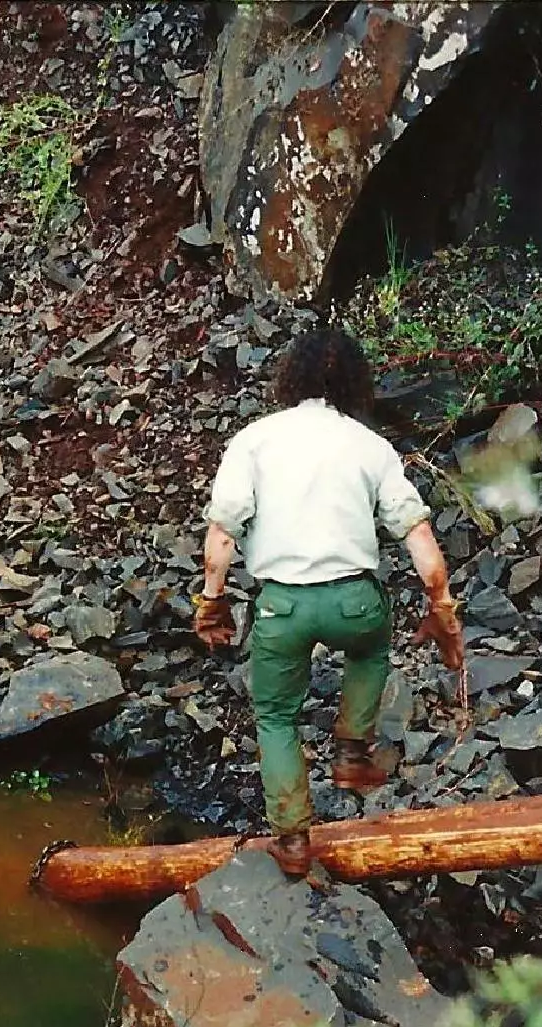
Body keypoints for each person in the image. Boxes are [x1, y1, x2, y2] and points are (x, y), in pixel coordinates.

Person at [194, 325, 465, 877]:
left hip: (282, 608)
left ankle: (293, 841)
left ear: (290, 374)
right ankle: (351, 753)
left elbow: (223, 533)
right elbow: (419, 539)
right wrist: (442, 608)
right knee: (370, 652)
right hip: (354, 603)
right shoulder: (371, 447)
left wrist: (211, 599)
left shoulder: (255, 440)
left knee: (275, 717)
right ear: (354, 382)